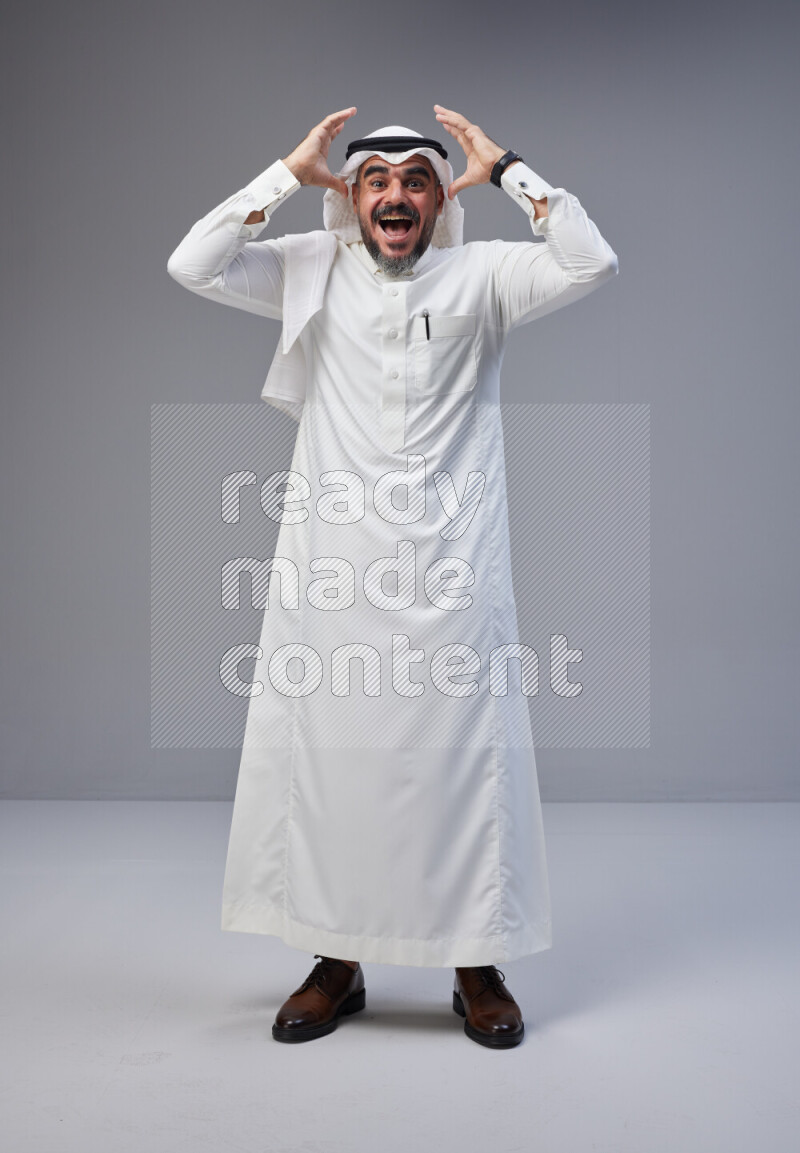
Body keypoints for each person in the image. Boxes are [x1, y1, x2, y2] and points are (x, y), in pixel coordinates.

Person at [167, 105, 618, 1049]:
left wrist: (510, 173)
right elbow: (192, 263)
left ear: (437, 198)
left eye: (417, 178)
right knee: (338, 770)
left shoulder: (485, 276)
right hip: (335, 575)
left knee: (462, 766)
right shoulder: (307, 269)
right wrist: (287, 175)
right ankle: (337, 961)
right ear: (355, 197)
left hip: (456, 572)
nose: (396, 194)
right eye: (376, 180)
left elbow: (591, 261)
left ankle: (475, 965)